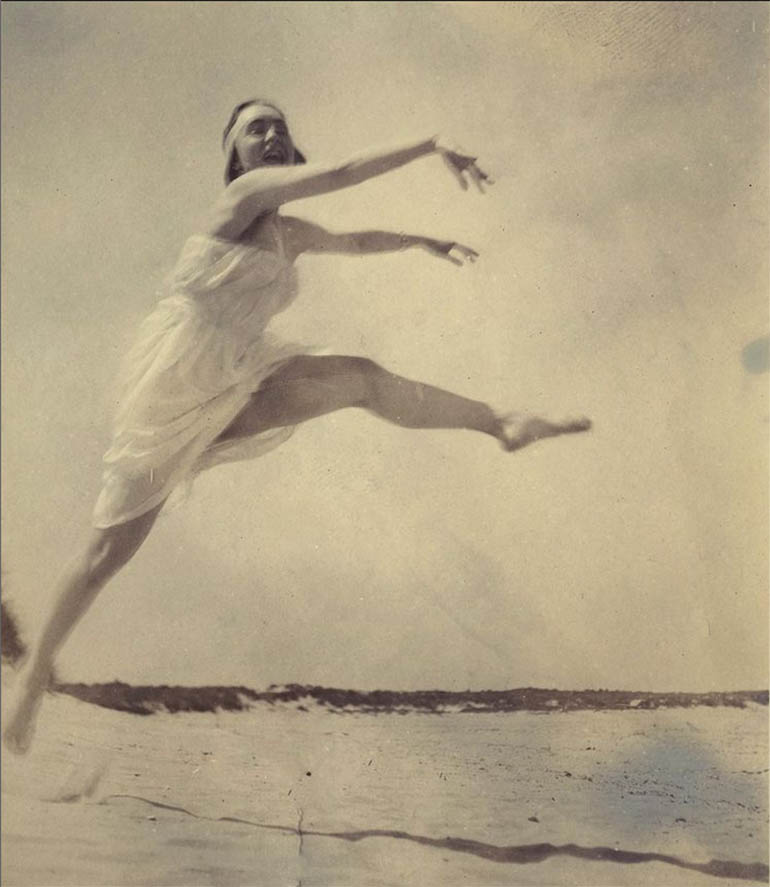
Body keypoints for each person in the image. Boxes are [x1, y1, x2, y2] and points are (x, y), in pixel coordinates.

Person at [3, 99, 591, 753]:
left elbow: (354, 241)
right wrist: (430, 141)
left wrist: (422, 241)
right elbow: (342, 173)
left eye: (280, 126)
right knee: (103, 555)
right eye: (256, 128)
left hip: (239, 377)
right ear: (236, 155)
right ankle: (31, 679)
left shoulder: (291, 232)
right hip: (173, 385)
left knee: (362, 378)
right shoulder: (245, 198)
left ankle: (500, 422)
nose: (273, 134)